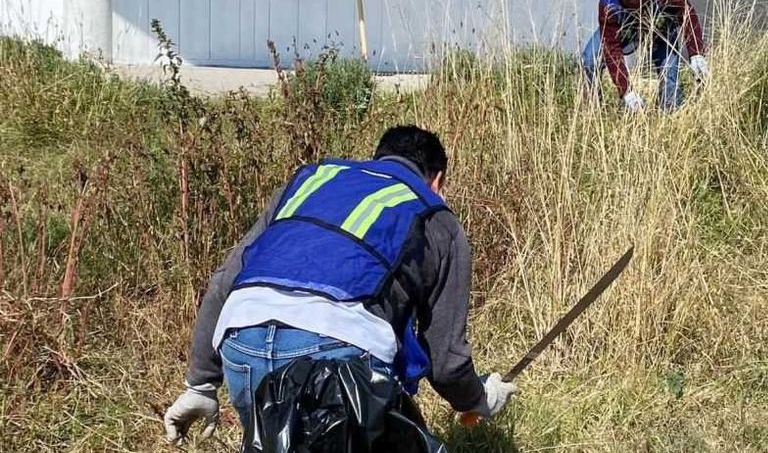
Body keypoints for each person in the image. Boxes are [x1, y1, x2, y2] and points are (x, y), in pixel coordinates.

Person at [163, 125, 517, 444]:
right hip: (338, 352)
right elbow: (446, 361)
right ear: (437, 181)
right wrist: (479, 397)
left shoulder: (312, 180)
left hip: (243, 341)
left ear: (376, 158)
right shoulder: (435, 215)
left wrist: (201, 383)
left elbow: (226, 279)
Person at [582, 0, 708, 112]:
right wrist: (626, 90)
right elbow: (611, 48)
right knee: (589, 59)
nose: (633, 0)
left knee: (669, 71)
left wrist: (696, 52)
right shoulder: (608, 3)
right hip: (624, 30)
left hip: (659, 28)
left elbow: (686, 14)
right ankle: (593, 113)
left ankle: (668, 114)